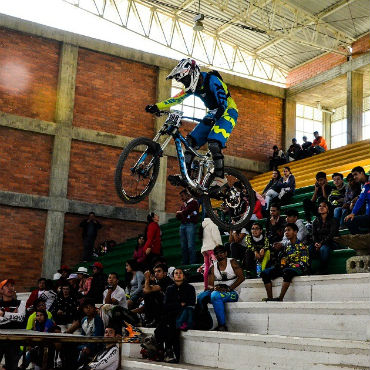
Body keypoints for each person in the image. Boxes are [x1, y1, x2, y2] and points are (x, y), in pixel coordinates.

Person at [146, 58, 238, 188]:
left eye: (185, 80)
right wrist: (156, 106)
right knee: (190, 142)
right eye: (182, 81)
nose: (184, 83)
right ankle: (186, 176)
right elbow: (176, 99)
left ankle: (220, 178)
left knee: (213, 143)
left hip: (228, 111)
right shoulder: (192, 88)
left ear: (193, 74)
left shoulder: (212, 80)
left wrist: (215, 117)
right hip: (213, 112)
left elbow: (222, 103)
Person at [197, 244, 245, 331]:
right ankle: (205, 323)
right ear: (214, 255)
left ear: (226, 253)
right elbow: (210, 285)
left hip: (233, 293)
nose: (219, 254)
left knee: (215, 296)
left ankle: (222, 325)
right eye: (217, 253)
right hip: (220, 290)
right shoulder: (213, 267)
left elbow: (242, 277)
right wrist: (214, 288)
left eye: (221, 252)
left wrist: (229, 288)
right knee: (200, 297)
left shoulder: (232, 262)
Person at [154, 268, 196, 363]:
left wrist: (176, 305)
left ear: (184, 276)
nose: (178, 275)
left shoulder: (190, 288)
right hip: (172, 314)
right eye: (176, 273)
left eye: (180, 273)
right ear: (173, 277)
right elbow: (166, 305)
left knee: (167, 325)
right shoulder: (170, 288)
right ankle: (169, 352)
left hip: (184, 315)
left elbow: (191, 302)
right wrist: (179, 304)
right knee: (168, 325)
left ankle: (164, 350)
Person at [261, 223, 309, 301]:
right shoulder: (287, 246)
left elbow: (304, 262)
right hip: (287, 267)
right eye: (285, 230)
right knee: (265, 273)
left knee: (287, 271)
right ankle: (270, 298)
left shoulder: (302, 246)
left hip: (299, 268)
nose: (286, 232)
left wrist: (291, 266)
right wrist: (281, 265)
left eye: (289, 230)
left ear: (295, 232)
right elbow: (284, 260)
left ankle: (280, 298)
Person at [0, 279, 26, 370]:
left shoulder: (21, 303)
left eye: (12, 286)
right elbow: (16, 317)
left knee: (12, 367)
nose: (10, 288)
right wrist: (13, 315)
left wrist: (3, 314)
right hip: (0, 338)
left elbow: (21, 318)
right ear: (1, 290)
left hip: (14, 340)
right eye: (7, 286)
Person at [310, 200, 339, 274]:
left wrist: (321, 243)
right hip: (319, 243)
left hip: (331, 242)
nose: (321, 207)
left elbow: (331, 235)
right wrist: (316, 242)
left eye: (324, 206)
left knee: (324, 248)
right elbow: (313, 234)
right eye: (320, 206)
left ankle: (323, 268)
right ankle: (308, 268)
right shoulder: (315, 221)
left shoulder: (333, 220)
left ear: (328, 209)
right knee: (309, 249)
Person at [77, 300, 105, 368]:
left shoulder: (97, 320)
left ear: (94, 309)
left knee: (83, 355)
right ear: (83, 309)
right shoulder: (83, 320)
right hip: (85, 346)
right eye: (86, 307)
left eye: (90, 307)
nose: (88, 309)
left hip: (96, 346)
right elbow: (82, 336)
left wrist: (88, 347)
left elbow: (97, 337)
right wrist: (83, 347)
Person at [176, 189, 199, 265]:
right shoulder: (183, 204)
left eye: (182, 196)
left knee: (190, 245)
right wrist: (184, 214)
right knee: (183, 246)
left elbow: (186, 212)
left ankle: (192, 262)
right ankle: (185, 263)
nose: (181, 198)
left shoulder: (194, 203)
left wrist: (182, 213)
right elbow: (178, 216)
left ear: (188, 195)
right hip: (182, 225)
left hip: (190, 225)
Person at [345, 166, 370, 234]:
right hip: (368, 215)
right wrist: (353, 213)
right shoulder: (363, 185)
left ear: (362, 173)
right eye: (353, 175)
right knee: (349, 221)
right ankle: (362, 239)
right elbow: (361, 199)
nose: (354, 177)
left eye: (356, 174)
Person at [200, 218, 222, 290]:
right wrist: (220, 246)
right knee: (216, 267)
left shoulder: (204, 226)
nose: (217, 215)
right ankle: (217, 286)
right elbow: (217, 238)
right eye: (215, 214)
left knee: (207, 268)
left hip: (205, 250)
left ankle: (206, 287)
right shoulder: (213, 225)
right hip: (212, 249)